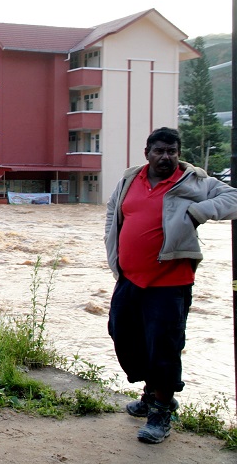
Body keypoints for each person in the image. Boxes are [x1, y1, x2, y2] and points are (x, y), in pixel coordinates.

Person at [105, 127, 237, 444]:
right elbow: (113, 210)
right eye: (160, 151)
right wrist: (114, 252)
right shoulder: (129, 180)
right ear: (147, 152)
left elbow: (233, 197)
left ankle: (161, 411)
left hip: (170, 282)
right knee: (122, 333)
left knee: (164, 347)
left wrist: (198, 211)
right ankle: (152, 391)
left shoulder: (193, 181)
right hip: (130, 277)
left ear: (178, 153)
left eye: (172, 151)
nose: (166, 157)